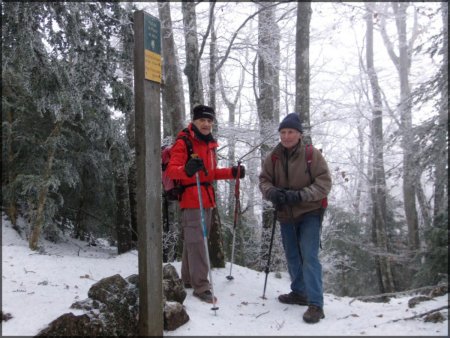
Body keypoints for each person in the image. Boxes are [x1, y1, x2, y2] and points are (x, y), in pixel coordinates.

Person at [166, 104, 245, 304]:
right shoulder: (184, 141)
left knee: (194, 241)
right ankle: (202, 286)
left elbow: (210, 173)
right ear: (194, 121)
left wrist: (231, 173)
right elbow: (172, 171)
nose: (206, 124)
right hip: (192, 199)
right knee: (198, 241)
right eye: (203, 120)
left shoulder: (209, 144)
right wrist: (187, 169)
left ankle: (188, 279)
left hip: (207, 198)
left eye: (210, 121)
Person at [258, 113, 332, 324]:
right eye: (283, 132)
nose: (286, 136)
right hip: (285, 214)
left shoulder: (312, 155)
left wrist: (300, 195)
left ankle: (316, 304)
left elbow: (324, 184)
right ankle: (299, 292)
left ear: (299, 134)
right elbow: (264, 180)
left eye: (290, 132)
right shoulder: (273, 157)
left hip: (310, 212)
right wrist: (272, 193)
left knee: (309, 256)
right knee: (292, 255)